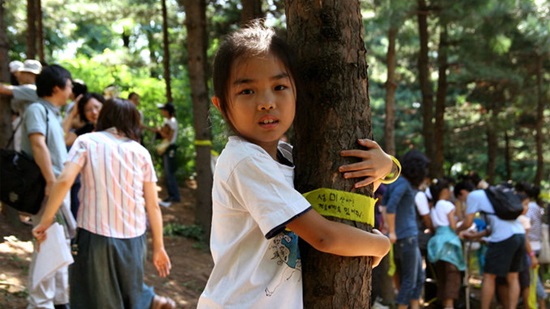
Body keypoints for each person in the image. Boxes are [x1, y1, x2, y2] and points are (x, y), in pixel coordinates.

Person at [197, 22, 395, 308]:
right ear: (221, 105)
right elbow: (323, 236)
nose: (266, 102)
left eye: (279, 87)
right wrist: (380, 244)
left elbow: (346, 186)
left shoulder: (288, 157)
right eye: (247, 92)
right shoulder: (245, 160)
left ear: (296, 92)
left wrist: (386, 166)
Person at [32, 98, 175, 309]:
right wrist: (159, 247)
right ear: (133, 122)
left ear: (105, 116)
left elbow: (64, 181)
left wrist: (46, 220)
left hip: (96, 236)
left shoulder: (87, 142)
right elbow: (153, 205)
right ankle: (153, 302)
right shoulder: (140, 152)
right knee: (130, 299)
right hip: (135, 239)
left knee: (93, 299)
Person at [20, 64, 77, 309]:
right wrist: (52, 184)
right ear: (57, 87)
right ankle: (40, 303)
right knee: (46, 245)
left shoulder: (52, 113)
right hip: (47, 188)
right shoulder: (36, 109)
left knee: (59, 244)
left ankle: (59, 300)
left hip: (56, 189)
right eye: (69, 83)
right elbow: (38, 144)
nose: (72, 88)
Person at [458, 184, 526, 309]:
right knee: (513, 276)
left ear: (463, 193)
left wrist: (456, 230)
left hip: (503, 238)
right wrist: (477, 235)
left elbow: (468, 222)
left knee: (489, 276)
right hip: (519, 234)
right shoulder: (493, 195)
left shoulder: (473, 196)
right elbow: (494, 224)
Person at [383, 149, 430, 309]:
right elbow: (390, 207)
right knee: (410, 280)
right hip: (406, 236)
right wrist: (392, 231)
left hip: (408, 235)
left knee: (417, 278)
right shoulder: (403, 184)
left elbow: (384, 206)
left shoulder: (397, 182)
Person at [62, 92, 105, 219]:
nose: (94, 112)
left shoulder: (118, 129)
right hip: (87, 186)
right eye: (88, 110)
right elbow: (62, 139)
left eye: (97, 107)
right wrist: (73, 112)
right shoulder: (85, 130)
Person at [427, 178, 465, 309]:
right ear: (444, 191)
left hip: (437, 241)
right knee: (452, 274)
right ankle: (449, 305)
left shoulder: (433, 206)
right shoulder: (447, 205)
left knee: (441, 274)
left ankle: (444, 303)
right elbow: (454, 225)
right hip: (448, 241)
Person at [0, 59, 42, 151]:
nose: (19, 76)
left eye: (23, 73)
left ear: (30, 74)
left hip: (29, 127)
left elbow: (3, 89)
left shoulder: (31, 89)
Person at [156, 102, 180, 207]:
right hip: (167, 148)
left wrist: (160, 132)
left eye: (164, 110)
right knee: (168, 172)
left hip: (170, 148)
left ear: (168, 111)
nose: (162, 112)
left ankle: (174, 196)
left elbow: (169, 137)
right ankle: (172, 194)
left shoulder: (172, 122)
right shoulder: (168, 121)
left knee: (169, 172)